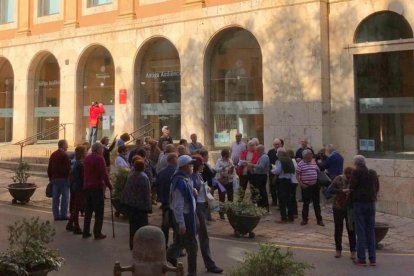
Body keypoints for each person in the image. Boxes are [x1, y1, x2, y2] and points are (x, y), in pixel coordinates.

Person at [190, 155, 223, 274]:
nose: (204, 165)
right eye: (202, 163)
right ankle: (209, 265)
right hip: (197, 209)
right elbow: (191, 193)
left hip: (202, 207)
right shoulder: (192, 177)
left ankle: (209, 264)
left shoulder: (198, 175)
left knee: (198, 238)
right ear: (197, 165)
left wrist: (206, 188)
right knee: (201, 238)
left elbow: (200, 187)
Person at [167, 155, 198, 276]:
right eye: (190, 164)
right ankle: (192, 273)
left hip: (187, 217)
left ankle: (168, 256)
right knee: (192, 248)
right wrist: (181, 224)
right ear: (184, 167)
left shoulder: (185, 179)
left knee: (179, 243)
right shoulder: (179, 182)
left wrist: (192, 190)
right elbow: (178, 206)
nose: (191, 167)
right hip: (185, 218)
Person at [350, 155, 379, 267]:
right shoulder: (372, 172)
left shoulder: (356, 172)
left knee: (360, 231)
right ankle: (373, 259)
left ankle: (361, 259)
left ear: (356, 163)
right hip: (371, 203)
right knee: (370, 231)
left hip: (359, 203)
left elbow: (352, 186)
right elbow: (377, 187)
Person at [82, 142, 113, 240]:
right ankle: (97, 232)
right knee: (99, 211)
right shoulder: (100, 158)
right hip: (97, 187)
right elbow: (104, 174)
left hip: (87, 187)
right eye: (102, 149)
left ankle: (85, 232)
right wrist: (109, 185)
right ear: (99, 149)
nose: (103, 151)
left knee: (88, 211)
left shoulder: (87, 158)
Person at [121, 159, 152, 250]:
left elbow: (126, 191)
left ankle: (132, 244)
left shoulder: (130, 176)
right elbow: (147, 194)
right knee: (142, 227)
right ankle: (141, 244)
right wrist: (148, 207)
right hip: (141, 207)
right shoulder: (144, 177)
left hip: (131, 205)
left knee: (133, 226)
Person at [327, 167, 356, 259]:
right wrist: (342, 191)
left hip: (350, 208)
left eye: (350, 176)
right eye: (347, 175)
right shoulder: (338, 178)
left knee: (351, 229)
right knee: (338, 229)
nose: (348, 177)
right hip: (338, 207)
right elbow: (330, 190)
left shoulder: (355, 180)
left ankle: (353, 251)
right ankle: (338, 250)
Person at [297, 149, 324, 226]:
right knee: (306, 203)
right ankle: (304, 219)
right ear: (305, 156)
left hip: (315, 186)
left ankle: (319, 220)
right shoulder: (300, 164)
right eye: (310, 155)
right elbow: (297, 174)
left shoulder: (313, 162)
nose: (312, 156)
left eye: (311, 155)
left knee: (316, 203)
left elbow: (318, 171)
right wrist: (301, 184)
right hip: (306, 186)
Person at [156, 153, 178, 246]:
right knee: (176, 225)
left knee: (165, 224)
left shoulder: (161, 172)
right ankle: (176, 246)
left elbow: (157, 186)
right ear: (174, 160)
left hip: (164, 202)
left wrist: (160, 197)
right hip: (174, 202)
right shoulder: (176, 172)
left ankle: (163, 244)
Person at [47, 139, 71, 221]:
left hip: (54, 179)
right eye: (66, 145)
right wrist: (68, 178)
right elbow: (68, 168)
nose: (67, 146)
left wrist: (50, 178)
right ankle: (63, 214)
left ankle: (56, 215)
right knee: (65, 198)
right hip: (63, 179)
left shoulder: (53, 154)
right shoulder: (64, 155)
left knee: (55, 198)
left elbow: (49, 167)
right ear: (63, 145)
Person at [66, 145, 86, 234]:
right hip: (79, 187)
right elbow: (83, 177)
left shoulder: (76, 162)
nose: (86, 152)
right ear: (82, 153)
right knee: (77, 207)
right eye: (85, 151)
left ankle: (70, 224)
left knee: (76, 206)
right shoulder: (80, 164)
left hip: (75, 186)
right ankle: (76, 226)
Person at [272, 148, 295, 222]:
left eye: (278, 154)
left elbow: (278, 170)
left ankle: (284, 217)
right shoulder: (289, 159)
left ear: (280, 153)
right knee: (288, 199)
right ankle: (291, 217)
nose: (277, 155)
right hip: (289, 180)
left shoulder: (280, 161)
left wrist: (272, 170)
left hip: (282, 181)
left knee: (282, 200)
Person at [215, 149, 234, 220]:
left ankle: (230, 212)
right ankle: (221, 214)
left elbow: (232, 169)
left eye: (228, 156)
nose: (227, 158)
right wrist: (223, 168)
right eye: (226, 156)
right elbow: (216, 169)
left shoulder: (230, 160)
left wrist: (232, 168)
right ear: (223, 156)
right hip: (221, 182)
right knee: (222, 198)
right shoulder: (219, 161)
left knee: (230, 198)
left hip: (229, 181)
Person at [250, 144, 270, 211]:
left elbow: (261, 167)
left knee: (262, 192)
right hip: (259, 175)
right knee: (259, 191)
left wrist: (252, 165)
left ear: (260, 150)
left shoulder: (264, 157)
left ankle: (264, 206)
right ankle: (260, 206)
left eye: (257, 151)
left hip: (261, 176)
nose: (256, 152)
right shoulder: (261, 156)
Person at [267, 138, 282, 206]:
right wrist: (271, 165)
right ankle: (274, 201)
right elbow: (268, 160)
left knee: (279, 188)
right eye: (275, 144)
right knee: (272, 187)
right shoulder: (270, 151)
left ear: (280, 144)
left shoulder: (282, 151)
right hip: (272, 172)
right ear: (273, 145)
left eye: (278, 144)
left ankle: (280, 201)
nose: (276, 146)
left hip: (280, 173)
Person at [287, 149, 299, 217]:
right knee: (292, 197)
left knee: (292, 198)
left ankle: (293, 212)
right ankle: (294, 212)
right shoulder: (294, 161)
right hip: (294, 181)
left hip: (292, 181)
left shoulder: (291, 161)